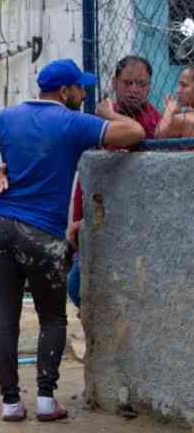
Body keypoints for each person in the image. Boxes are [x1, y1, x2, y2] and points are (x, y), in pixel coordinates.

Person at [0, 58, 145, 423]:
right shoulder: (73, 122)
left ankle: (10, 403)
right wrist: (108, 113)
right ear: (64, 91)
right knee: (52, 318)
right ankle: (45, 400)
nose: (83, 93)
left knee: (4, 318)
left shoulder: (8, 117)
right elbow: (134, 132)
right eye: (79, 88)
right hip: (40, 233)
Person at [68, 55, 160, 307]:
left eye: (141, 84)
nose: (133, 90)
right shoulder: (97, 121)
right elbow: (85, 177)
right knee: (77, 286)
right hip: (100, 217)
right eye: (127, 82)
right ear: (115, 83)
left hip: (138, 221)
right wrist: (78, 218)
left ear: (149, 86)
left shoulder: (155, 122)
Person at [155, 64, 194, 139]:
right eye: (179, 85)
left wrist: (169, 109)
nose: (178, 91)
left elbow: (159, 135)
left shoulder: (184, 119)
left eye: (184, 85)